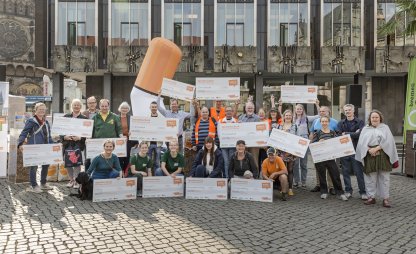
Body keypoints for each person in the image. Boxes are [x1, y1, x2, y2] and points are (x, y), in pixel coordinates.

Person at [355, 110, 399, 208]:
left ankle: (385, 199)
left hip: (383, 153)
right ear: (370, 119)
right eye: (373, 117)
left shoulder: (385, 128)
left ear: (380, 118)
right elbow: (361, 143)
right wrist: (369, 149)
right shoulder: (365, 129)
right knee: (370, 177)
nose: (374, 119)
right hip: (369, 154)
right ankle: (371, 197)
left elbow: (389, 141)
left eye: (376, 117)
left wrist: (377, 148)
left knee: (384, 177)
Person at [18, 102, 54, 192]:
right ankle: (33, 185)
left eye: (43, 109)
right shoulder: (31, 121)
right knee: (34, 166)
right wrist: (20, 143)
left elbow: (49, 136)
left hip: (45, 148)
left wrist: (53, 144)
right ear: (36, 110)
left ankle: (43, 183)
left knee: (46, 165)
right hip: (34, 148)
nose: (42, 111)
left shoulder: (46, 122)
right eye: (40, 109)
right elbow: (24, 133)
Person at [311, 116, 348, 201]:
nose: (324, 123)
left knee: (335, 175)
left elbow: (337, 143)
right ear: (320, 123)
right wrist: (318, 143)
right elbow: (312, 145)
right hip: (320, 158)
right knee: (321, 175)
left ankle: (340, 193)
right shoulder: (317, 133)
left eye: (326, 121)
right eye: (322, 121)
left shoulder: (332, 133)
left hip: (331, 158)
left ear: (328, 122)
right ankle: (324, 192)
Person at [337, 104, 366, 200]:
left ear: (353, 111)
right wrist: (354, 133)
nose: (348, 112)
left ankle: (363, 192)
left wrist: (346, 134)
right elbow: (339, 136)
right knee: (345, 172)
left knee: (359, 172)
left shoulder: (360, 122)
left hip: (356, 150)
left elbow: (360, 135)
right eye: (346, 110)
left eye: (349, 110)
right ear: (344, 112)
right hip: (344, 151)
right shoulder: (340, 123)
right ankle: (348, 191)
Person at [309, 106, 338, 193]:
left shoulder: (335, 122)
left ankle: (331, 187)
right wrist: (311, 145)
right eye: (320, 111)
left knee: (330, 168)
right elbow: (312, 133)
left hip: (330, 149)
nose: (321, 113)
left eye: (323, 111)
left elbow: (338, 135)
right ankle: (319, 185)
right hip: (318, 149)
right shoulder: (315, 121)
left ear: (328, 111)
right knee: (319, 168)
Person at [292, 101, 320, 188]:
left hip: (304, 143)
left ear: (303, 110)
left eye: (300, 109)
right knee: (295, 164)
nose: (299, 110)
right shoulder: (293, 119)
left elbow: (319, 115)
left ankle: (303, 182)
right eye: (297, 109)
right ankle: (296, 181)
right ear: (295, 110)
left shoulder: (307, 118)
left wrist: (317, 104)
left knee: (303, 164)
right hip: (295, 143)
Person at [61, 99, 87, 189]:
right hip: (67, 144)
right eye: (75, 105)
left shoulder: (84, 119)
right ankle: (71, 179)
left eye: (78, 105)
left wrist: (80, 138)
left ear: (81, 107)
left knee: (77, 163)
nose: (76, 106)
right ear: (72, 106)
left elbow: (87, 133)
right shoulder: (66, 117)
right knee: (68, 163)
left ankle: (76, 180)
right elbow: (60, 130)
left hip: (78, 144)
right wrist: (64, 137)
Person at [276, 109, 298, 196]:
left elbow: (298, 139)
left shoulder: (295, 126)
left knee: (290, 170)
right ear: (284, 117)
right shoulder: (279, 126)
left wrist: (296, 151)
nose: (288, 117)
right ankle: (282, 188)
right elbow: (276, 138)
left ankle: (290, 189)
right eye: (286, 115)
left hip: (291, 151)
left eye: (289, 115)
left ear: (292, 117)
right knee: (282, 170)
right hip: (281, 152)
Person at [238, 101, 261, 170]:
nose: (250, 109)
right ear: (245, 109)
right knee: (244, 160)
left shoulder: (257, 118)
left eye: (251, 108)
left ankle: (255, 176)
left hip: (254, 143)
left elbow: (259, 130)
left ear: (253, 109)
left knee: (254, 160)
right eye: (248, 108)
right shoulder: (241, 118)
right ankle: (244, 176)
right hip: (244, 143)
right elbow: (238, 130)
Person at [219, 105, 238, 178]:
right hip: (224, 145)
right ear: (225, 112)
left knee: (231, 162)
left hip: (233, 145)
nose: (229, 112)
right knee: (226, 162)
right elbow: (219, 133)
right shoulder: (221, 121)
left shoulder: (236, 121)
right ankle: (227, 178)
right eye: (227, 111)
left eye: (230, 111)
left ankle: (231, 177)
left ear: (232, 112)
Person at [117, 101, 137, 171]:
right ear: (120, 109)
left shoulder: (131, 118)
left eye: (126, 108)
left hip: (128, 141)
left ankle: (125, 172)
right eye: (123, 108)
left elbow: (135, 129)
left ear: (128, 109)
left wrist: (135, 138)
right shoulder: (116, 117)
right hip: (119, 141)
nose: (124, 109)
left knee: (127, 157)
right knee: (119, 157)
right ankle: (120, 172)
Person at [148, 101, 164, 173]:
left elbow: (164, 130)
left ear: (157, 108)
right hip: (148, 143)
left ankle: (156, 175)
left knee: (157, 161)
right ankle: (149, 174)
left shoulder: (161, 118)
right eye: (152, 107)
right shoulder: (146, 118)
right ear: (150, 108)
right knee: (149, 161)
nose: (154, 108)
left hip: (158, 143)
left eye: (155, 107)